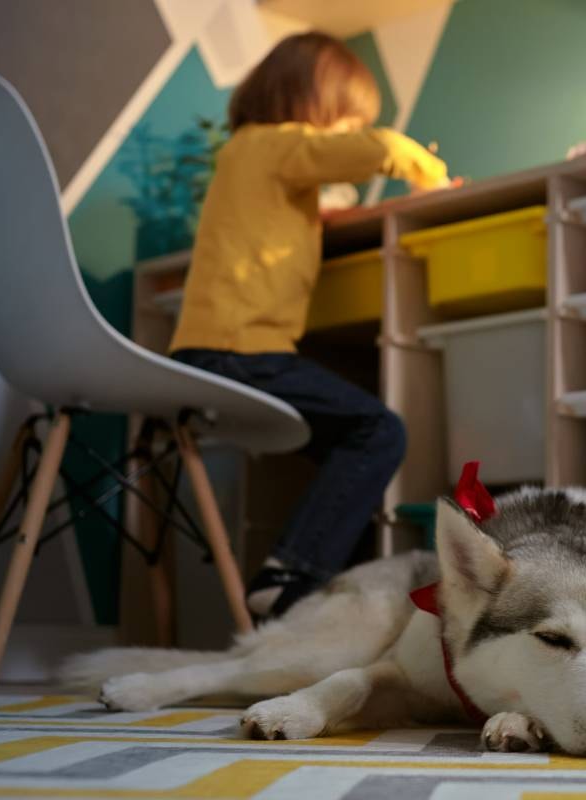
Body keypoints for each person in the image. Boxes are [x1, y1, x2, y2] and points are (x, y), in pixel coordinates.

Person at [168, 31, 449, 621]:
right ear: (314, 108)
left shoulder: (246, 157)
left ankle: (304, 573)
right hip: (241, 351)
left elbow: (287, 218)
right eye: (345, 121)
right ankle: (292, 574)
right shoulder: (275, 145)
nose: (348, 133)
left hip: (215, 350)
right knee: (379, 432)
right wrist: (433, 178)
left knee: (352, 445)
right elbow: (381, 148)